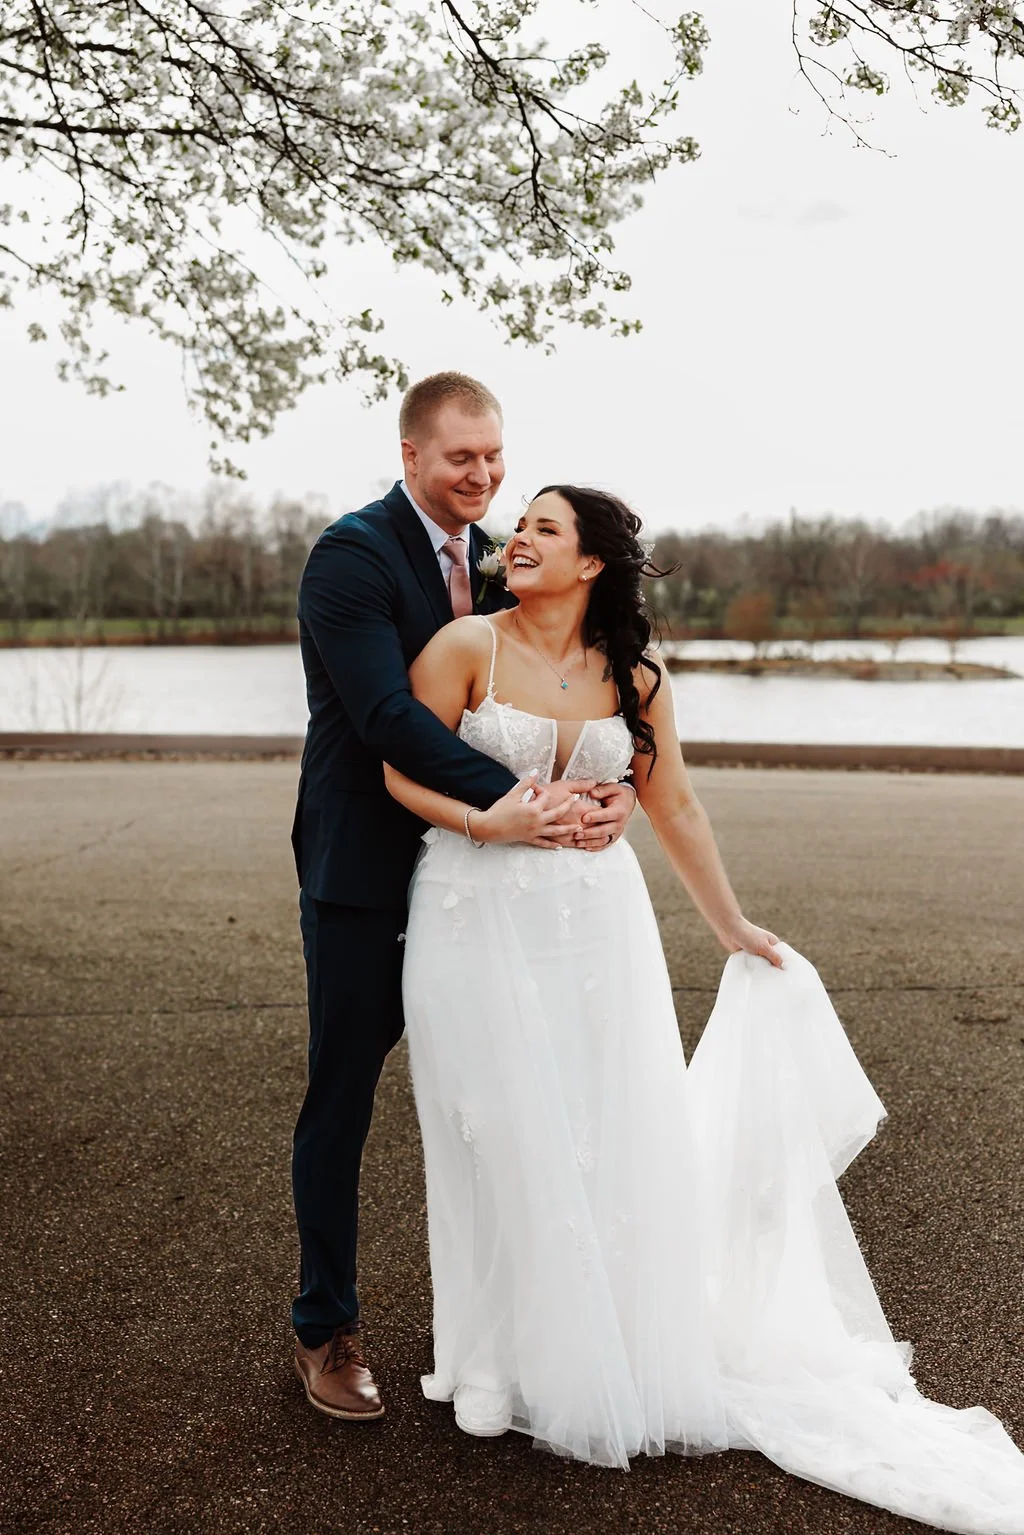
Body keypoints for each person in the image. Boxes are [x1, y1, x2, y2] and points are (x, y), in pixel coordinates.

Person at [384, 484, 1024, 1533]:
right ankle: (488, 1357)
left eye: (544, 527)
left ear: (591, 562)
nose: (519, 539)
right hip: (467, 911)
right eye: (521, 526)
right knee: (485, 1127)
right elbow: (397, 768)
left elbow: (670, 798)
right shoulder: (464, 643)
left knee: (597, 1134)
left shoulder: (634, 673)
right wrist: (482, 823)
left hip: (595, 926)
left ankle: (586, 1348)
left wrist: (731, 926)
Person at [289, 376, 637, 1421]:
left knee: (521, 1098)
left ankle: (522, 1320)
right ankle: (325, 1325)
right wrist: (536, 802)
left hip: (490, 883)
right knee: (342, 1097)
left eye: (493, 456)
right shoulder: (349, 557)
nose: (482, 476)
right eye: (460, 459)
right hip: (367, 869)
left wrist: (610, 787)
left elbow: (541, 692)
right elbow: (389, 717)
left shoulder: (503, 565)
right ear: (409, 456)